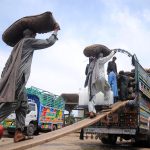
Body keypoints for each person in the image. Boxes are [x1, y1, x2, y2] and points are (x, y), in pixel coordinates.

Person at [0, 26, 59, 142]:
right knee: (13, 103)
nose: (36, 36)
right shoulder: (28, 41)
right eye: (35, 34)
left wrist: (4, 80)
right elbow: (48, 42)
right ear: (32, 34)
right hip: (18, 80)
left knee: (23, 105)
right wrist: (55, 31)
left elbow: (6, 66)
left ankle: (19, 133)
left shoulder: (16, 46)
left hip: (13, 80)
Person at [87, 50, 117, 118]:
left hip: (92, 82)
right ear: (100, 56)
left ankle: (92, 111)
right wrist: (113, 52)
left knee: (92, 97)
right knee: (108, 89)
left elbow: (87, 74)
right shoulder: (100, 60)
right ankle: (106, 105)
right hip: (100, 78)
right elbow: (108, 58)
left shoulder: (91, 64)